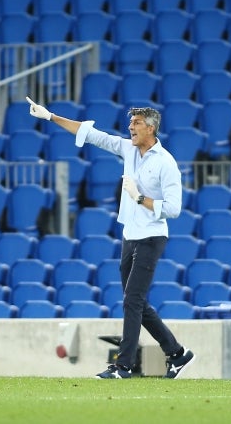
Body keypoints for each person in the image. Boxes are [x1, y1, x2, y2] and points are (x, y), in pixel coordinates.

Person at [26, 96, 195, 380]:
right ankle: (177, 353)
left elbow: (174, 210)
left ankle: (123, 366)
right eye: (130, 122)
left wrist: (139, 197)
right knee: (136, 301)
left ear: (151, 129)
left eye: (137, 123)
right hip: (131, 235)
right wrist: (50, 116)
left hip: (152, 236)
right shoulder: (128, 149)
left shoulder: (167, 163)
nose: (130, 127)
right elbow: (92, 135)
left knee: (132, 300)